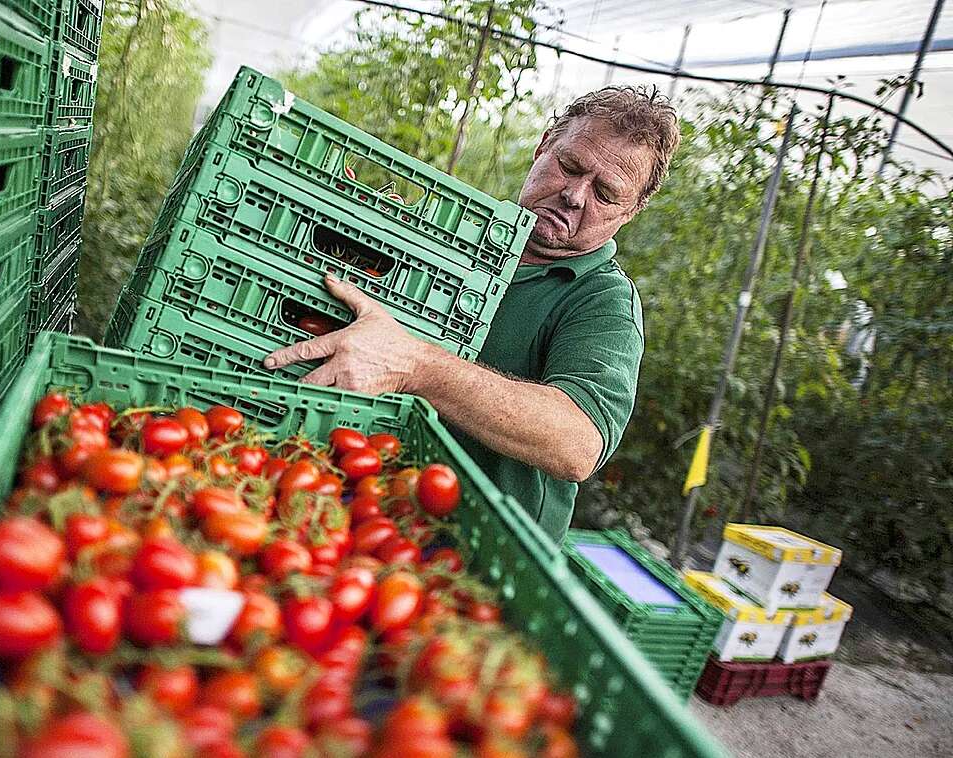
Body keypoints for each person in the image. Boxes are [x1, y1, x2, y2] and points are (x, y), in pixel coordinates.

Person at [263, 87, 681, 544]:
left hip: (474, 551)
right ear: (543, 147)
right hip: (363, 507)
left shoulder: (603, 303)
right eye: (570, 166)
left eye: (605, 193)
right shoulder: (459, 239)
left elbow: (577, 441)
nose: (575, 196)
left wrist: (417, 366)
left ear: (632, 211)